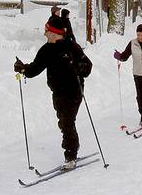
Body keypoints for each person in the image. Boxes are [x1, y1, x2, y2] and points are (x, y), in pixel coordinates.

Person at [14, 15, 92, 170]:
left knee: (67, 122)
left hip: (74, 91)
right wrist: (23, 68)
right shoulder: (46, 49)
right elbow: (36, 68)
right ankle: (72, 147)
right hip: (57, 92)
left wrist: (79, 67)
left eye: (46, 30)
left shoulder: (72, 47)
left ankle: (70, 155)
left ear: (54, 32)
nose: (44, 33)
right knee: (63, 123)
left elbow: (87, 65)